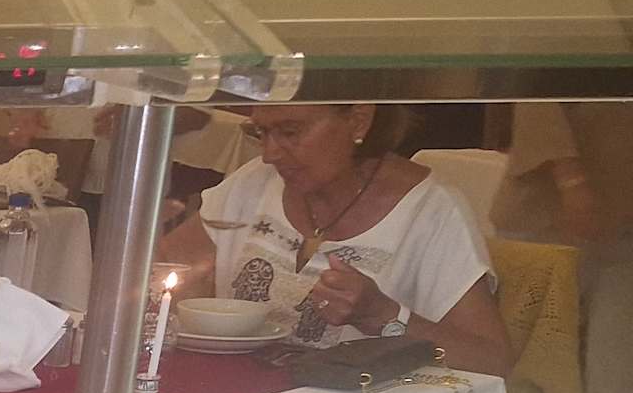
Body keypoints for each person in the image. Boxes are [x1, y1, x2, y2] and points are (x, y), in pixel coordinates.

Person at [155, 104, 511, 377]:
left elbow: (492, 361)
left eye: (290, 132)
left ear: (359, 121)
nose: (269, 153)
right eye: (260, 132)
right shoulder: (255, 182)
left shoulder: (430, 211)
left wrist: (384, 316)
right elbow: (163, 269)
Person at [497, 102, 633, 393]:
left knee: (617, 374)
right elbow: (536, 95)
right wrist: (571, 180)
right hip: (547, 213)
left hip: (624, 222)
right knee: (531, 375)